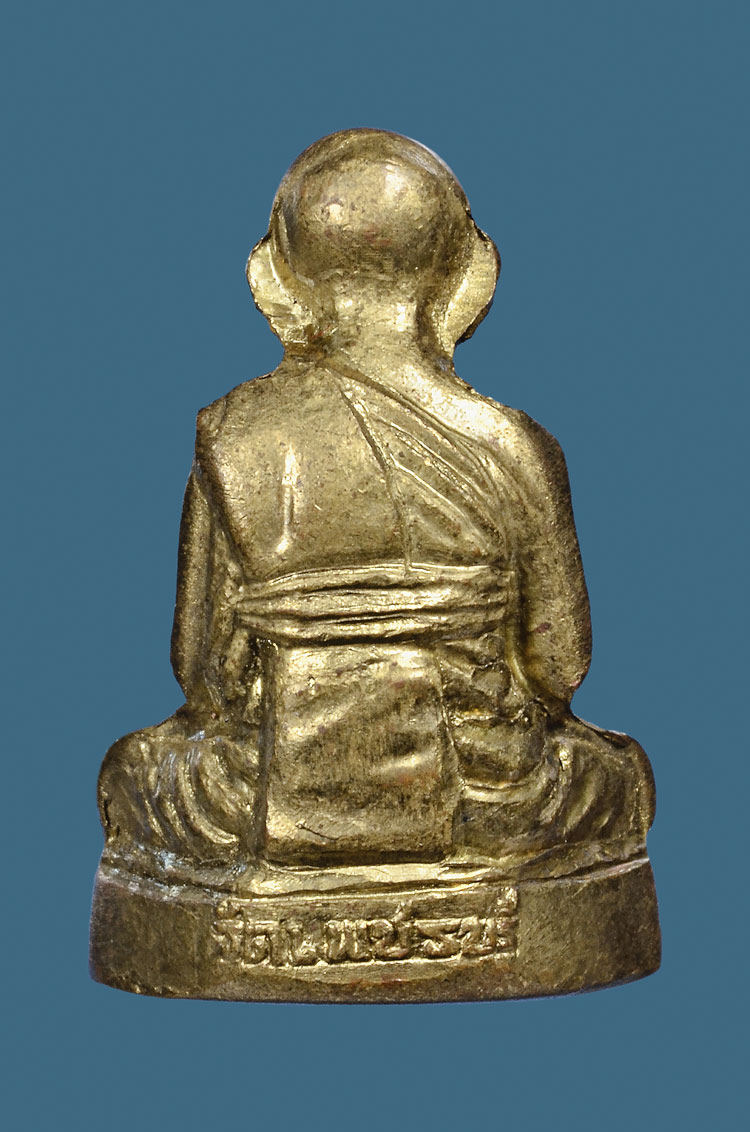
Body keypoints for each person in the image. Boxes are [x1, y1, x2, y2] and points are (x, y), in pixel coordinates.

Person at [98, 129, 654, 879]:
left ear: (278, 278)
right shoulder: (512, 444)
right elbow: (558, 669)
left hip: (261, 790)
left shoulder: (233, 434)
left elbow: (201, 673)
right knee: (612, 779)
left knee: (137, 775)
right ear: (467, 272)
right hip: (483, 790)